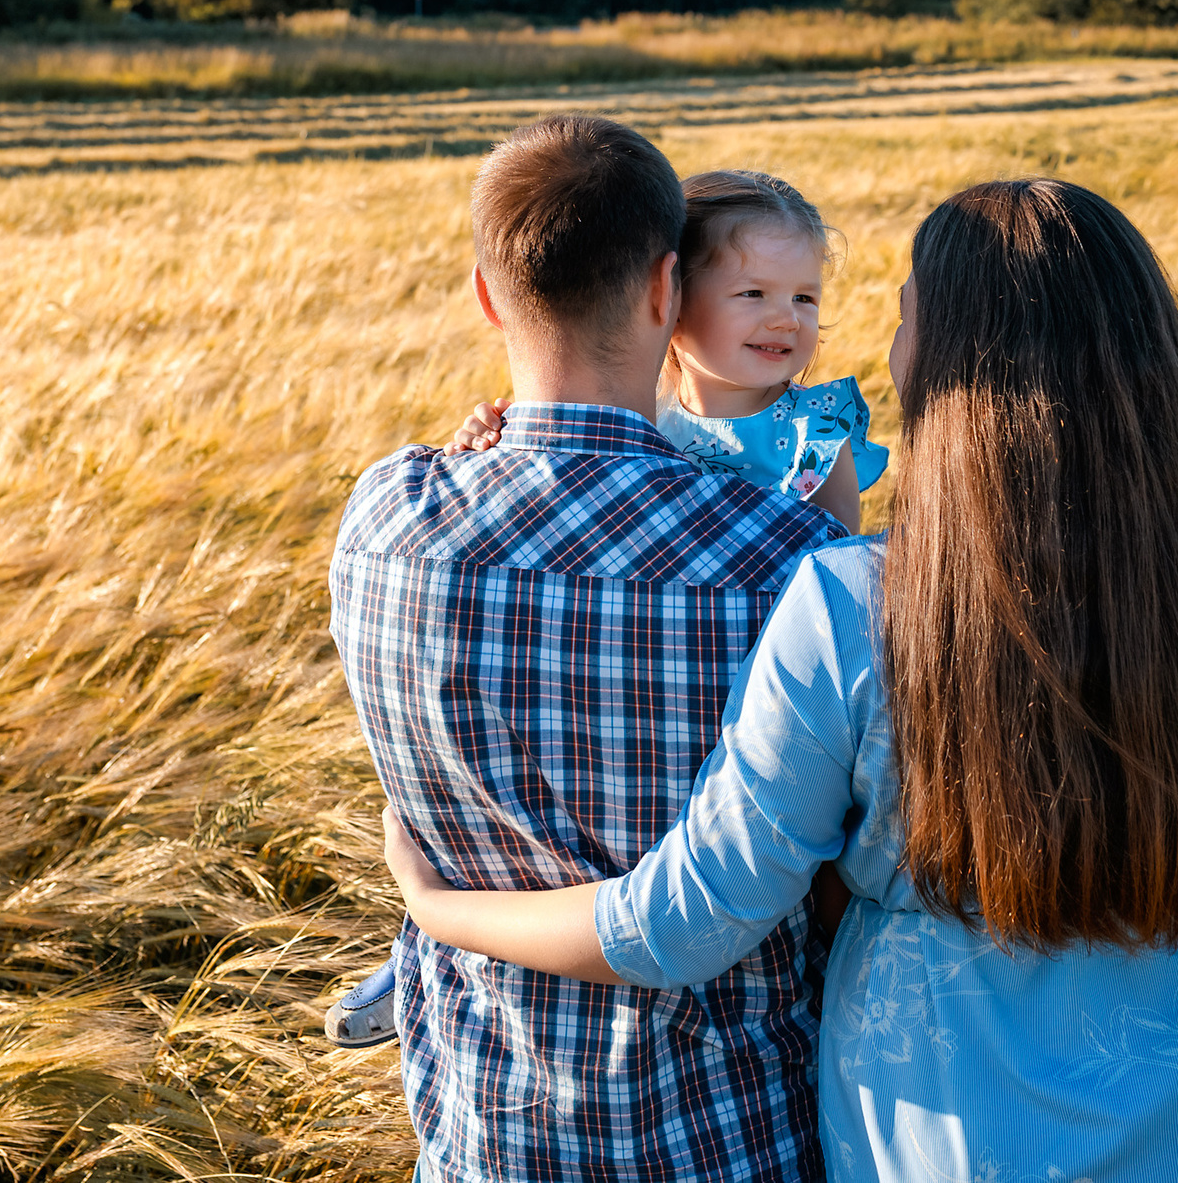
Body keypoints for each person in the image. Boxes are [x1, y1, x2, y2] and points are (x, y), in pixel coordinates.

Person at [379, 178, 1178, 1183]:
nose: (885, 350)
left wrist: (441, 910)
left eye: (907, 317)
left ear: (956, 360)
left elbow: (686, 920)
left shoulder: (847, 605)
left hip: (960, 1135)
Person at [328, 116, 849, 1183]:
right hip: (732, 1124)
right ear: (668, 293)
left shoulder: (383, 519)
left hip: (482, 1120)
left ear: (485, 294)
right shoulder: (792, 560)